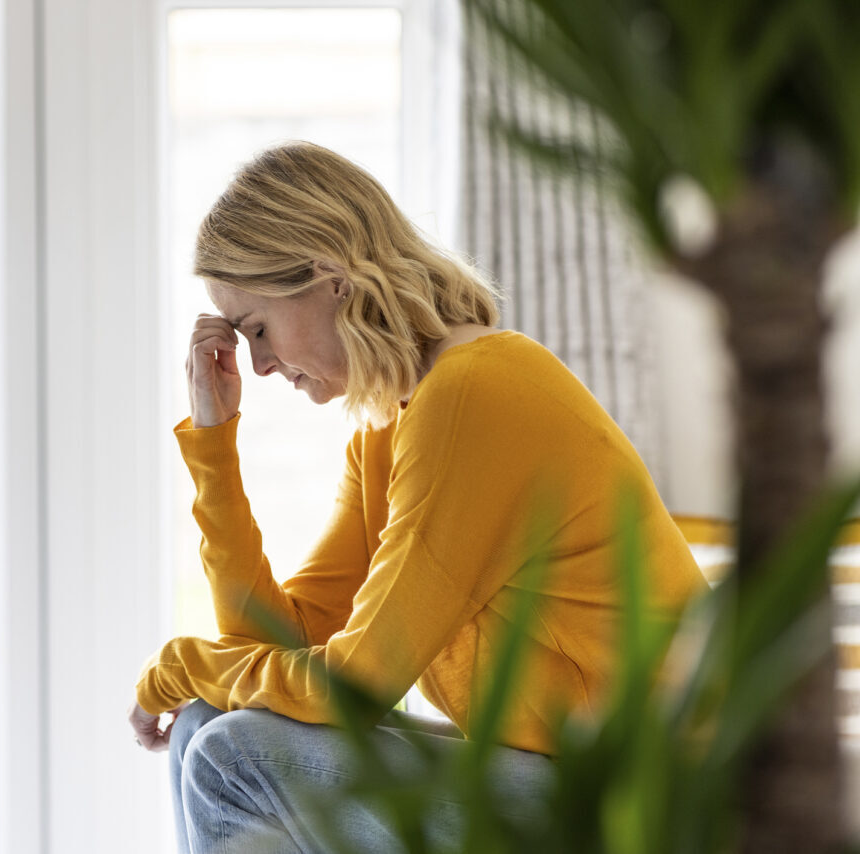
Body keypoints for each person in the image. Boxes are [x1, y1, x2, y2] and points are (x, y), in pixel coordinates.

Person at [128, 141, 707, 853]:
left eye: (257, 328)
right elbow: (274, 643)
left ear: (329, 277)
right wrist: (216, 445)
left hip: (648, 803)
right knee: (202, 726)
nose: (262, 363)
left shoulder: (475, 396)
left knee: (233, 753)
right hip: (558, 775)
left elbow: (361, 683)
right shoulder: (389, 429)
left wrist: (181, 666)